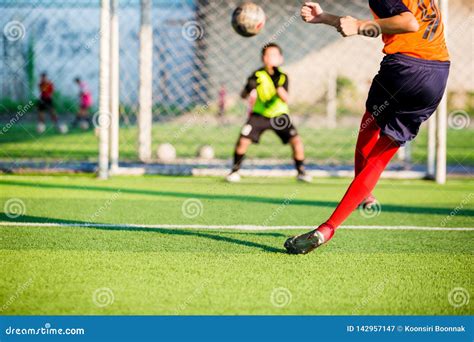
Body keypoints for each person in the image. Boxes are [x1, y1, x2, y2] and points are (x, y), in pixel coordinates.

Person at [285, 1, 450, 254]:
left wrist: (360, 25)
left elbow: (408, 23)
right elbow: (391, 26)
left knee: (369, 127)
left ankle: (362, 194)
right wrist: (326, 18)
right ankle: (329, 226)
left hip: (403, 68)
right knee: (381, 156)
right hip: (437, 76)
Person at [226, 43, 312, 183]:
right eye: (267, 55)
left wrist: (276, 85)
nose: (270, 58)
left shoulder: (282, 76)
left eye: (274, 55)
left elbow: (286, 99)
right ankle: (235, 171)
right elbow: (243, 96)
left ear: (280, 58)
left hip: (279, 116)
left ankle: (301, 171)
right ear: (263, 58)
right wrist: (248, 88)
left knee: (296, 141)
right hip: (259, 115)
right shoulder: (257, 75)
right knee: (242, 141)